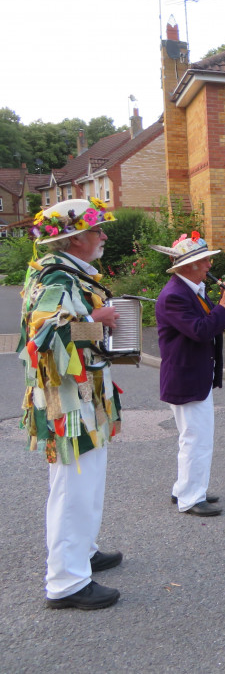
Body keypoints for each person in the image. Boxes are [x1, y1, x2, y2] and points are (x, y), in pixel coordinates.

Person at [19, 197, 124, 610]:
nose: (103, 236)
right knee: (74, 486)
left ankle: (83, 552)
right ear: (75, 239)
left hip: (83, 395)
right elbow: (45, 339)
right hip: (69, 400)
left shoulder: (71, 275)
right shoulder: (59, 279)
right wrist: (97, 322)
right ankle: (65, 582)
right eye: (97, 230)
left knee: (85, 481)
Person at [153, 232, 225, 518]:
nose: (208, 266)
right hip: (186, 376)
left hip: (194, 374)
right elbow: (201, 330)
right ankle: (191, 498)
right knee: (197, 438)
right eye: (204, 260)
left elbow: (210, 322)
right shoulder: (174, 296)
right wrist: (224, 305)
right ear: (189, 265)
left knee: (192, 436)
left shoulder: (191, 290)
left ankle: (186, 488)